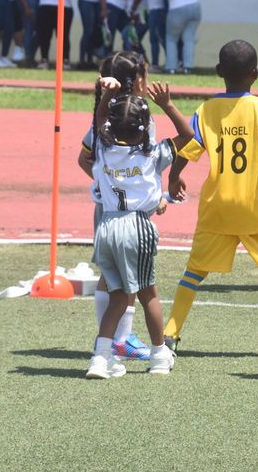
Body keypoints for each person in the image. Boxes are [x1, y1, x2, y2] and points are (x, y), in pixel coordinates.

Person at [163, 40, 258, 357]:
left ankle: (169, 335)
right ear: (255, 74)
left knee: (194, 272)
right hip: (255, 209)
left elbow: (188, 147)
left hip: (217, 207)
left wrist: (174, 176)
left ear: (219, 71)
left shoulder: (206, 110)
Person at [85, 70, 193, 378]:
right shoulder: (153, 154)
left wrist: (108, 94)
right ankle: (159, 355)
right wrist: (168, 105)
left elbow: (98, 120)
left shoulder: (103, 149)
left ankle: (100, 358)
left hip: (106, 227)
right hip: (137, 227)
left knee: (118, 295)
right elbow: (188, 135)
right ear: (145, 127)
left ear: (110, 125)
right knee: (149, 294)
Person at [78, 52, 162, 363]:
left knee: (113, 276)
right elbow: (84, 159)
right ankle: (120, 340)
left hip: (118, 209)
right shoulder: (130, 118)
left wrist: (113, 183)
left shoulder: (114, 116)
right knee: (124, 279)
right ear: (137, 80)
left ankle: (113, 339)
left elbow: (86, 159)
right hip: (119, 212)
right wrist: (116, 186)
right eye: (146, 76)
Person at [157, 0, 201, 74]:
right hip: (195, 7)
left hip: (178, 8)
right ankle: (188, 67)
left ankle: (171, 67)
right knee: (189, 39)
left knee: (171, 38)